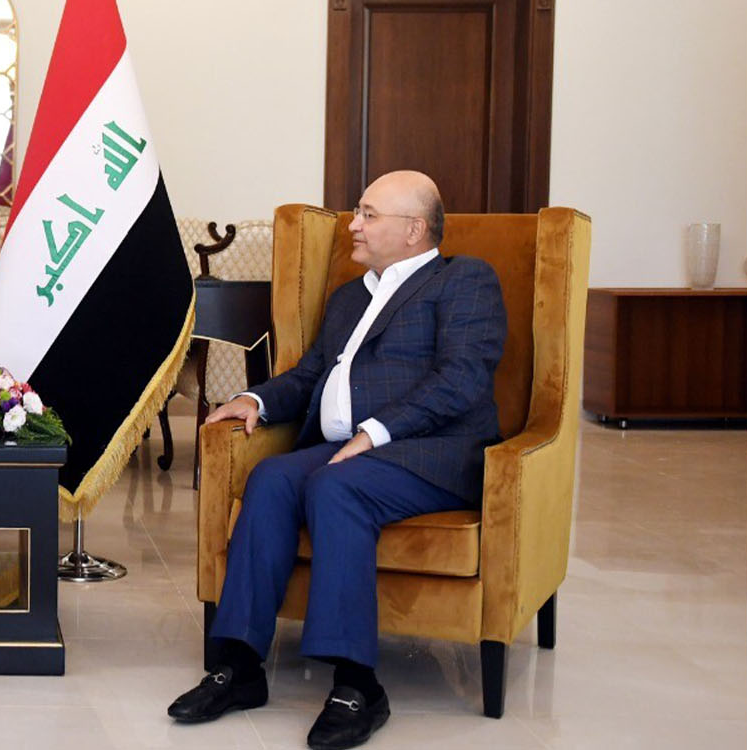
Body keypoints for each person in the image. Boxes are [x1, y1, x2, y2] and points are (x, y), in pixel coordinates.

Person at [166, 170, 506, 749]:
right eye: (358, 211)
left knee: (335, 487)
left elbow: (463, 379)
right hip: (347, 450)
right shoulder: (351, 296)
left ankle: (357, 686)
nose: (353, 224)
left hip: (430, 453)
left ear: (415, 229)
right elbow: (308, 375)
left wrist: (375, 433)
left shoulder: (463, 280)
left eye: (370, 214)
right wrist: (255, 398)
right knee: (271, 477)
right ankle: (240, 666)